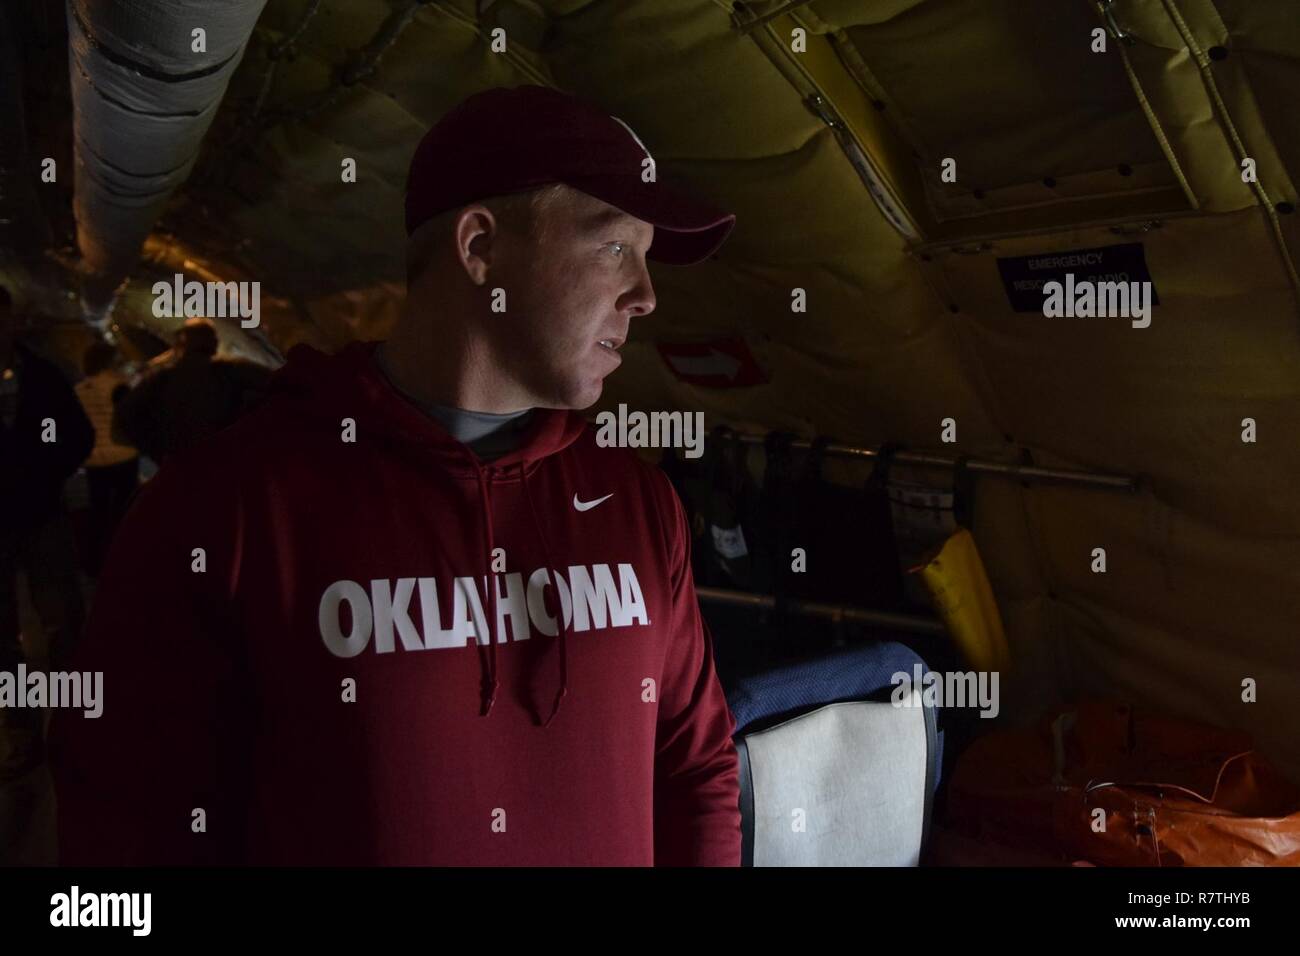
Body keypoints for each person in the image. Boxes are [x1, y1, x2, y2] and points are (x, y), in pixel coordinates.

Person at [50, 85, 741, 865]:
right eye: (616, 247)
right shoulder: (224, 510)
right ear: (480, 247)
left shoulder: (640, 504)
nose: (645, 295)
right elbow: (126, 830)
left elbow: (695, 767)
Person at [0, 285, 95, 780]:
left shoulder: (42, 379)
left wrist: (45, 469)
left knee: (62, 622)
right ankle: (21, 734)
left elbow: (77, 435)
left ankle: (73, 727)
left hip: (40, 514)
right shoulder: (41, 376)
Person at [111, 317, 272, 464]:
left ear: (182, 344)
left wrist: (155, 450)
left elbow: (124, 417)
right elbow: (277, 387)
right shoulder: (235, 371)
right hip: (227, 466)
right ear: (213, 342)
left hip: (180, 469)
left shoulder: (162, 379)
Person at [73, 341, 140, 576]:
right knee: (126, 510)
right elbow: (132, 420)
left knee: (98, 511)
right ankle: (126, 559)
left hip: (94, 459)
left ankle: (96, 562)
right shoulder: (119, 387)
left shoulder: (79, 390)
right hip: (123, 455)